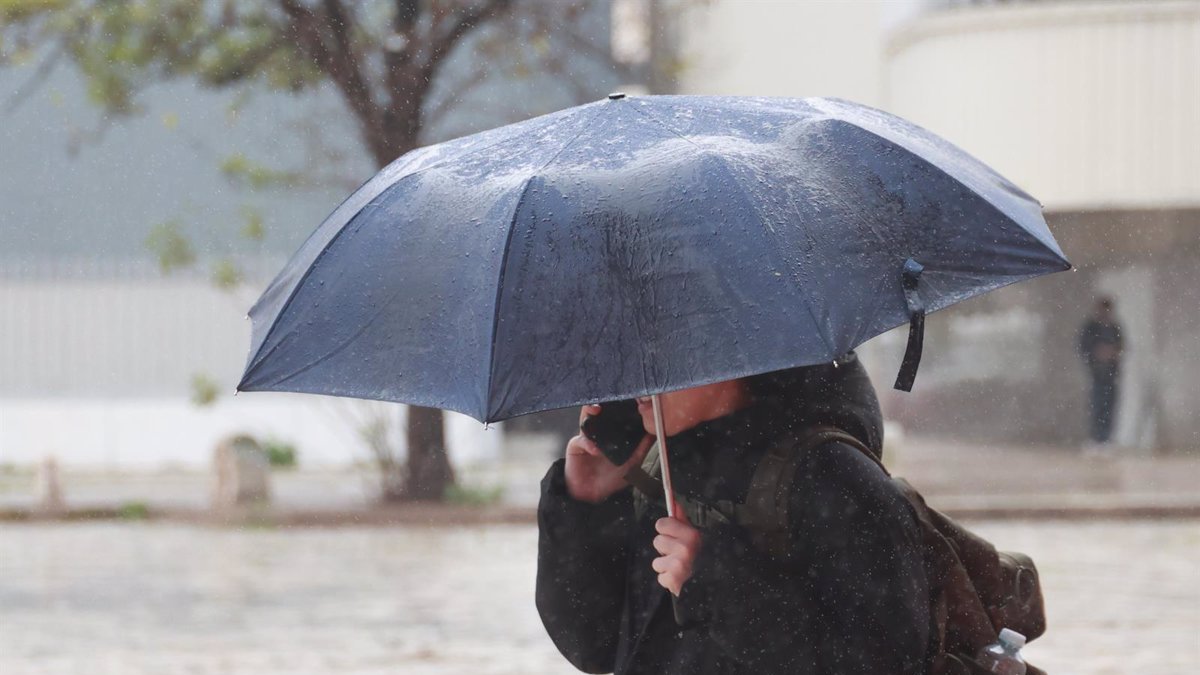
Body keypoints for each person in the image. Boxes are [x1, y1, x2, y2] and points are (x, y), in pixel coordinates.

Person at [535, 354, 931, 674]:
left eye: (662, 348)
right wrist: (584, 506)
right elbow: (596, 646)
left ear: (734, 357)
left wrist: (714, 578)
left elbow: (887, 660)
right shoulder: (665, 467)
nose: (639, 372)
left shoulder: (833, 479)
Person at [1077, 297, 1123, 448]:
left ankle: (1106, 439)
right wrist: (1096, 353)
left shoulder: (1115, 328)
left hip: (1111, 374)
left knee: (1110, 406)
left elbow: (1122, 346)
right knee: (1097, 406)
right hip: (1096, 373)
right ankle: (1096, 439)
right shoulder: (1091, 327)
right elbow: (1083, 347)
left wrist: (1113, 353)